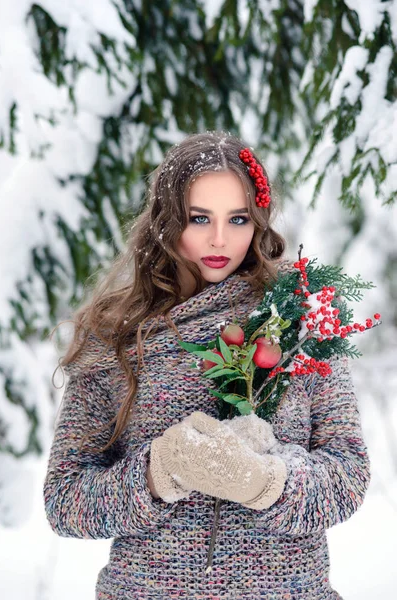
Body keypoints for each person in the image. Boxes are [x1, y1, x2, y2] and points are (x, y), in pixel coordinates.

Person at [43, 131, 371, 599]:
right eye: (199, 218)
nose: (220, 239)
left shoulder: (296, 320)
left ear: (258, 222)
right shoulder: (115, 337)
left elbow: (348, 474)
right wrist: (157, 472)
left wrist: (268, 482)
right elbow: (65, 500)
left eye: (238, 219)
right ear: (166, 220)